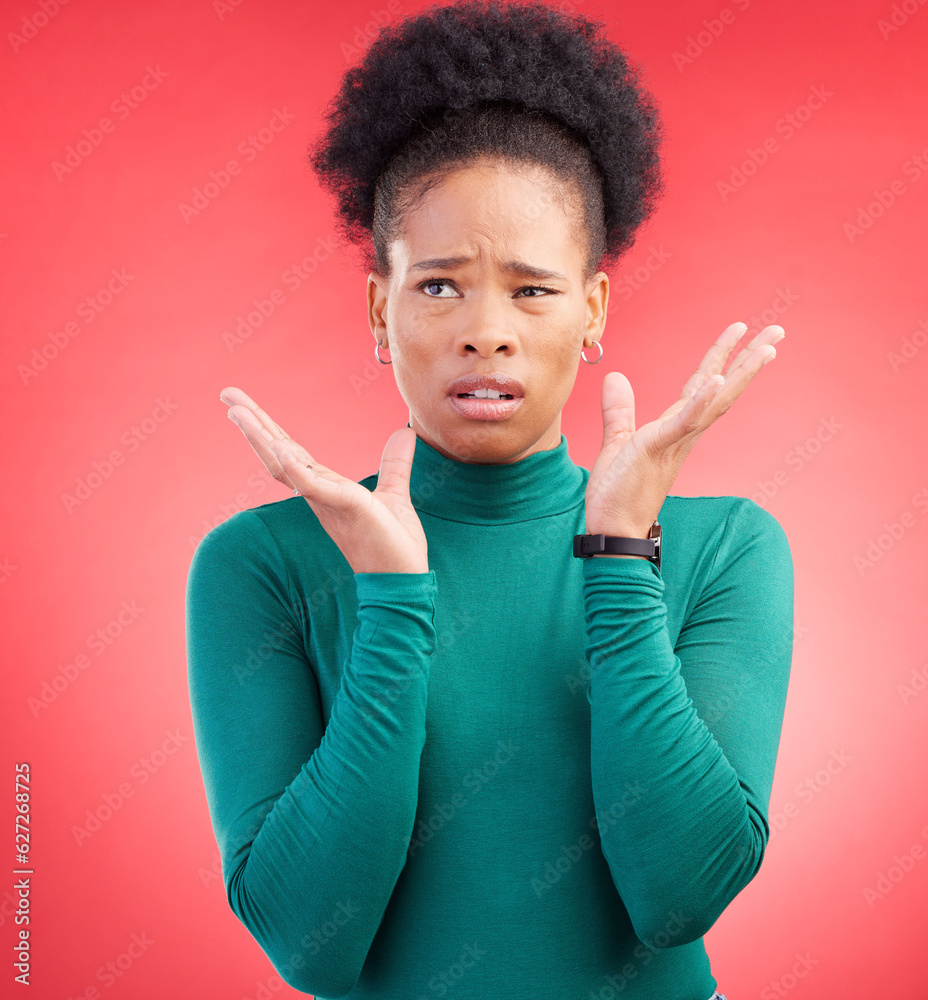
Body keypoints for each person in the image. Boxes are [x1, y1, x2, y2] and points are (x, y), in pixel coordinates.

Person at [185, 2, 793, 998]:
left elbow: (678, 898)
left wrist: (620, 558)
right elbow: (310, 947)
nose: (485, 332)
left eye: (532, 289)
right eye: (437, 287)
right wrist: (390, 606)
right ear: (380, 305)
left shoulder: (723, 545)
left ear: (591, 308)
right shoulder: (262, 564)